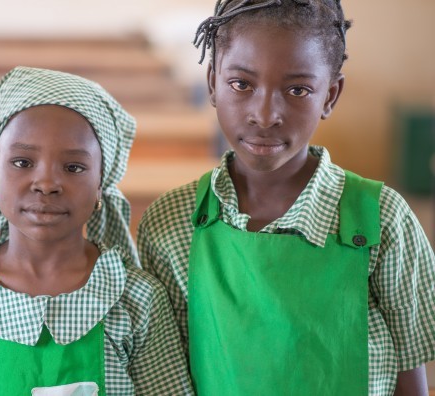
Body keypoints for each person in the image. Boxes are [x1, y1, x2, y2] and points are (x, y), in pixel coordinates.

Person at [136, 1, 435, 395]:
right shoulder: (170, 224)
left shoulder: (381, 217)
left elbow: (411, 372)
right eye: (241, 84)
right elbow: (166, 378)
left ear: (330, 94)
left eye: (298, 89)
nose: (265, 114)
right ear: (212, 83)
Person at [0, 66, 193, 395]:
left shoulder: (138, 298)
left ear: (101, 184)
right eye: (22, 162)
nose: (46, 184)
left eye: (74, 167)